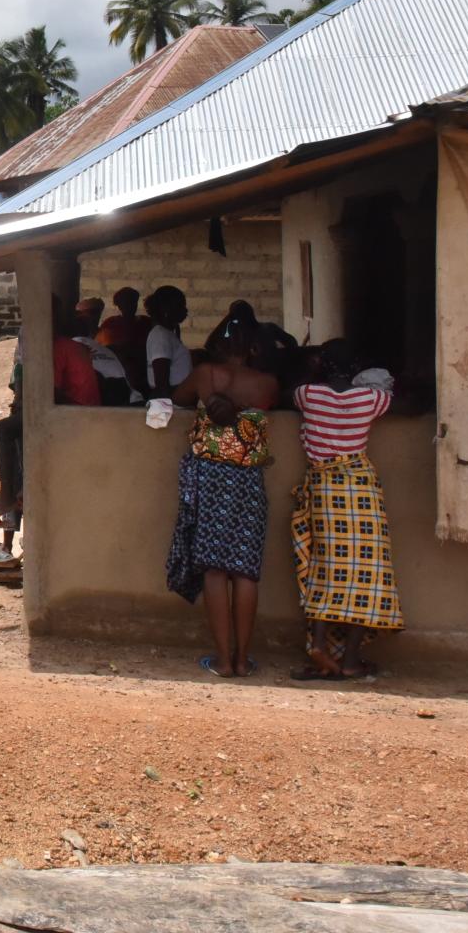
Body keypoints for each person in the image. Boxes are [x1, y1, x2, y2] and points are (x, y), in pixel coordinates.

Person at [165, 323, 279, 678]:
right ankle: (243, 660)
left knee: (214, 570)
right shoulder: (267, 383)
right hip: (248, 482)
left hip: (210, 479)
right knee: (245, 571)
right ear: (254, 349)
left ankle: (223, 661)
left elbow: (179, 397)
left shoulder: (205, 374)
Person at [290, 341, 402, 680]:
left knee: (323, 569)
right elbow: (404, 402)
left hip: (325, 491)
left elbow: (292, 388)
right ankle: (351, 659)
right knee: (366, 574)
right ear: (356, 368)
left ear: (320, 365)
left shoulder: (307, 394)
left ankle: (319, 646)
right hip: (362, 491)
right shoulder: (370, 399)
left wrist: (311, 370)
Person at [0, 300, 99, 560]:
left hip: (73, 416)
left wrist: (24, 402)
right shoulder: (70, 345)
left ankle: (7, 496)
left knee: (4, 429)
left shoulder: (55, 348)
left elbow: (48, 393)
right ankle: (14, 501)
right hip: (76, 413)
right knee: (20, 433)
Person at [143, 285, 193, 398]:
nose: (185, 310)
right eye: (180, 306)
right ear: (166, 308)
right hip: (172, 400)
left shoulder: (168, 333)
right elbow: (161, 383)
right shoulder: (161, 335)